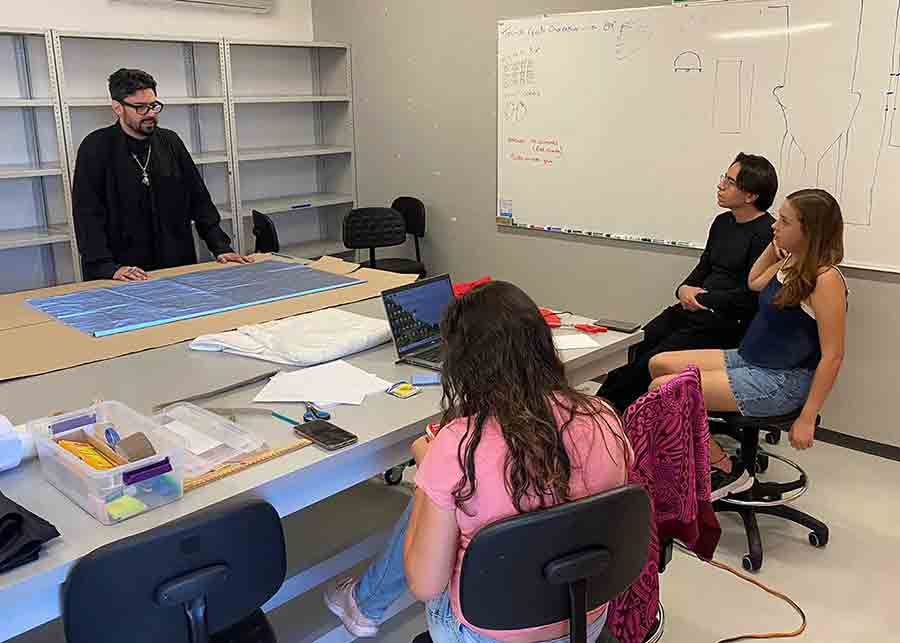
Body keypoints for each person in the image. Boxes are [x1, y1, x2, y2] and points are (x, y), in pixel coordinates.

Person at [325, 281, 633, 642]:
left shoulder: (459, 446)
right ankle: (364, 601)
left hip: (488, 633)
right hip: (585, 616)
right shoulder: (602, 415)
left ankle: (365, 603)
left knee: (441, 507)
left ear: (462, 366)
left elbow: (424, 585)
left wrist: (429, 473)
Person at [648, 189, 847, 500]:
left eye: (784, 222)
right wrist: (775, 246)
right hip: (751, 358)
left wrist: (808, 416)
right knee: (658, 363)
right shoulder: (793, 260)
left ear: (809, 231)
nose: (774, 226)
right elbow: (754, 282)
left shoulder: (826, 279)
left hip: (781, 380)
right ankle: (699, 455)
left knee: (664, 390)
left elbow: (833, 356)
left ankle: (726, 469)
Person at [597, 153, 778, 412]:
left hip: (725, 323)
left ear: (750, 195)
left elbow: (750, 296)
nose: (720, 185)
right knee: (631, 348)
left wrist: (699, 297)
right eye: (724, 178)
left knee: (650, 363)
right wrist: (683, 289)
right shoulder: (723, 222)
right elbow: (704, 266)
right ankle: (597, 413)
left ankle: (613, 419)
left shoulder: (766, 234)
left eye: (729, 181)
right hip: (693, 309)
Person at [72, 68, 251, 282]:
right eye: (140, 107)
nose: (150, 114)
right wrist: (106, 267)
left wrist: (220, 247)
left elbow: (199, 199)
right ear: (118, 107)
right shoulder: (95, 147)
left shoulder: (170, 142)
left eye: (153, 105)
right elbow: (87, 214)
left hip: (176, 263)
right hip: (122, 271)